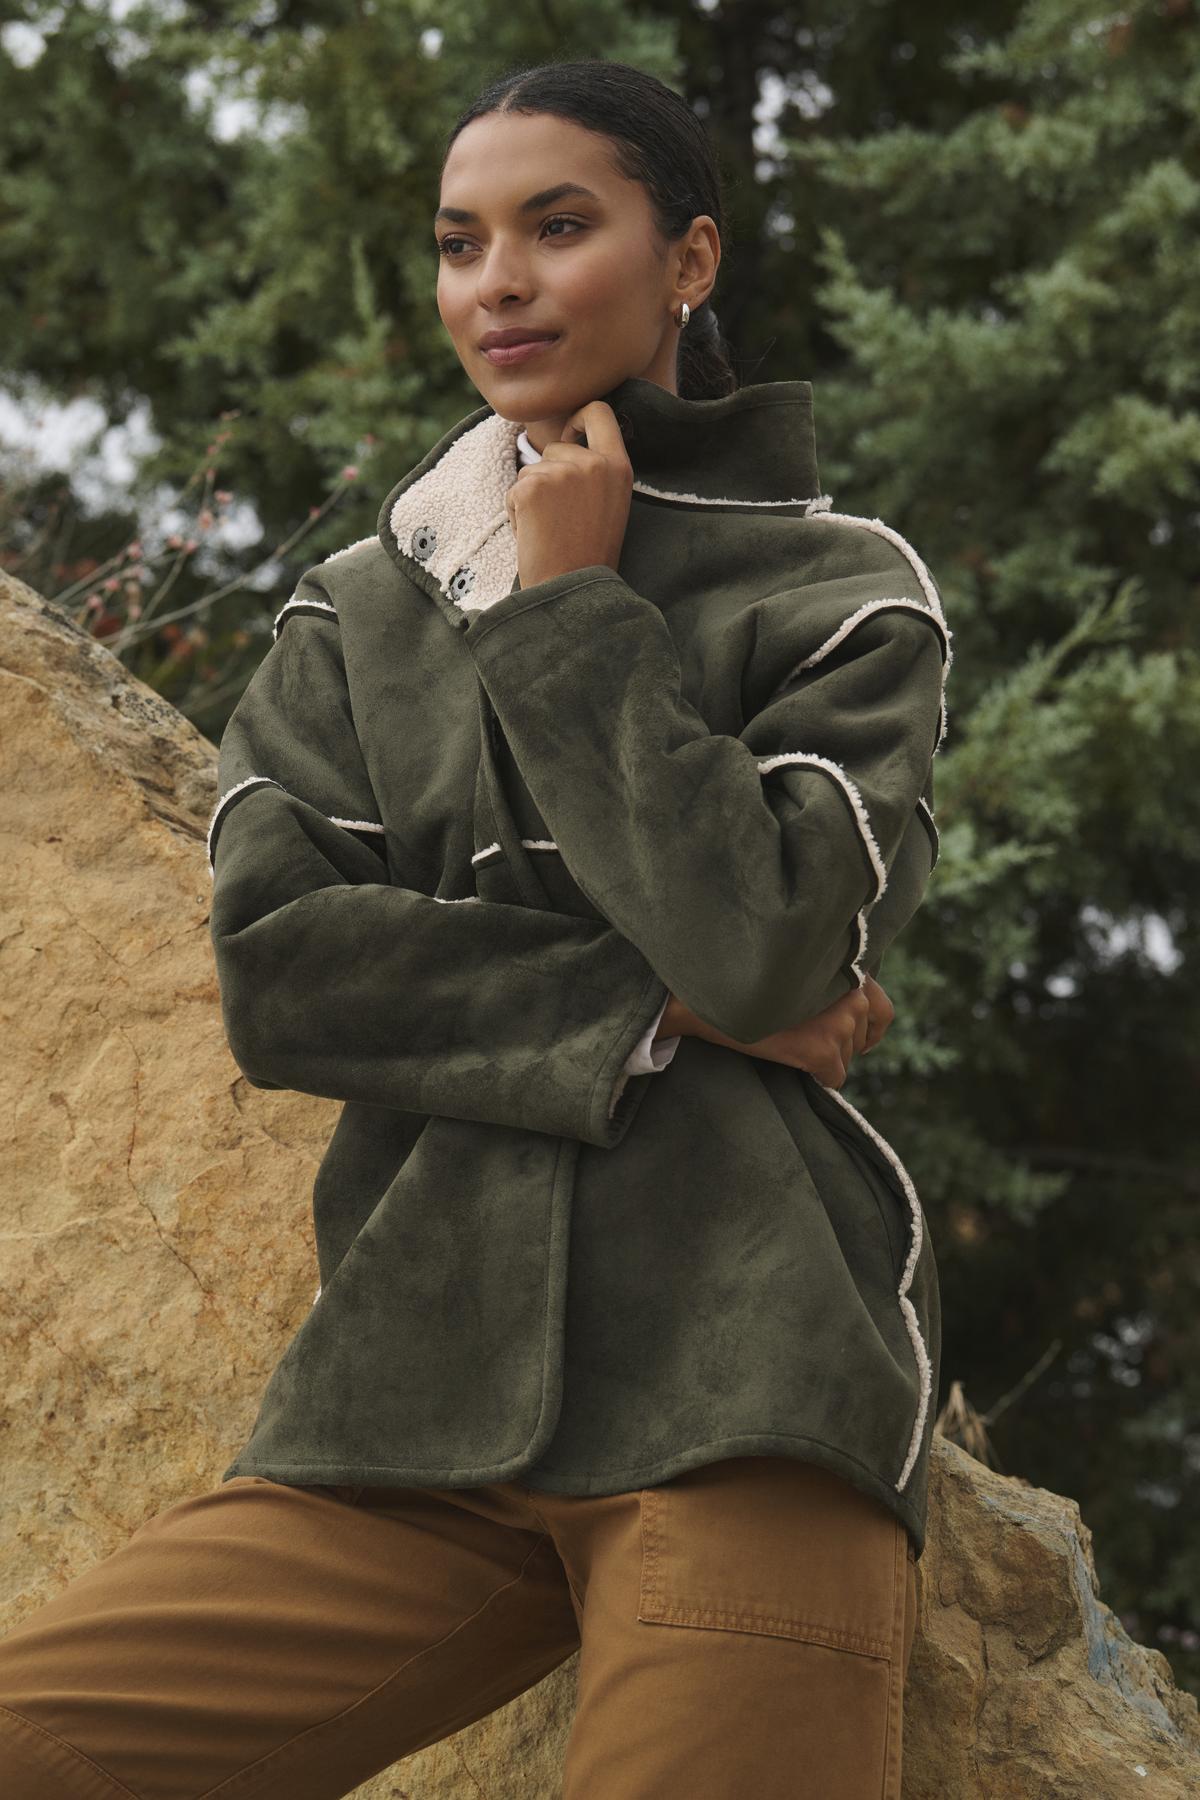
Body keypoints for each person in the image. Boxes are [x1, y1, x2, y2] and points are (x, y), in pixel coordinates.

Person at [0, 56, 953, 1800]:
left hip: (750, 1389)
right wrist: (658, 1013)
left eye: (558, 226)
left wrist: (577, 607)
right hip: (408, 1410)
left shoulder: (836, 593)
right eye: (460, 243)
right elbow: (285, 974)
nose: (495, 280)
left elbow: (763, 947)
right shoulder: (361, 613)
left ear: (690, 261)